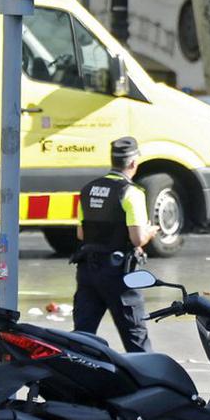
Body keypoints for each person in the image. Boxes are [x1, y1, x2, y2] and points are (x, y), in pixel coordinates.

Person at [72, 137, 156, 353]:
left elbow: (81, 234)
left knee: (82, 338)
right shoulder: (130, 192)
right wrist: (149, 232)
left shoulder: (87, 189)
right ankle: (148, 384)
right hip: (118, 275)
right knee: (136, 341)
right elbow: (137, 239)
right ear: (133, 163)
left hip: (88, 271)